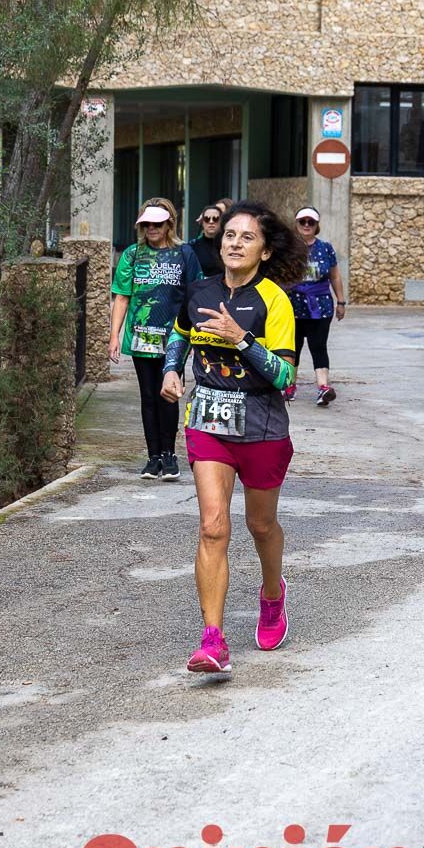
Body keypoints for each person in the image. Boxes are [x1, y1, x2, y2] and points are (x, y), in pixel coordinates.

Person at [160, 200, 307, 673]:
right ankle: (213, 639)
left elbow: (286, 377)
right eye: (229, 235)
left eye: (247, 237)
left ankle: (271, 595)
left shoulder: (274, 300)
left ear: (264, 251)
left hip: (263, 426)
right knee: (212, 525)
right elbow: (179, 333)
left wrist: (240, 338)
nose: (235, 243)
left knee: (260, 525)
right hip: (208, 423)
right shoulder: (200, 290)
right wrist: (170, 370)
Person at [109, 198, 202, 480]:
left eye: (157, 223)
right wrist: (114, 336)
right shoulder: (132, 255)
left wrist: (198, 335)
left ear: (169, 224)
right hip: (141, 336)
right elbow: (122, 296)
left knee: (168, 394)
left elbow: (196, 294)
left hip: (174, 337)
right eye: (147, 224)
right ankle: (153, 458)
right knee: (148, 396)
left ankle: (169, 455)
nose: (151, 228)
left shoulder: (185, 253)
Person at [285, 206, 346, 406]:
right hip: (292, 305)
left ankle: (323, 387)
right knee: (292, 347)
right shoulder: (288, 249)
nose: (306, 225)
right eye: (303, 221)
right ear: (296, 224)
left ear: (317, 225)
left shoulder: (326, 248)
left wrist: (341, 301)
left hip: (320, 307)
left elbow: (335, 275)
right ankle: (289, 385)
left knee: (318, 346)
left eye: (311, 222)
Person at [189, 204, 225, 277]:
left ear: (221, 221)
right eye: (207, 218)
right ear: (202, 222)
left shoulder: (228, 245)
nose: (211, 222)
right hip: (200, 287)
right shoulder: (192, 247)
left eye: (215, 218)